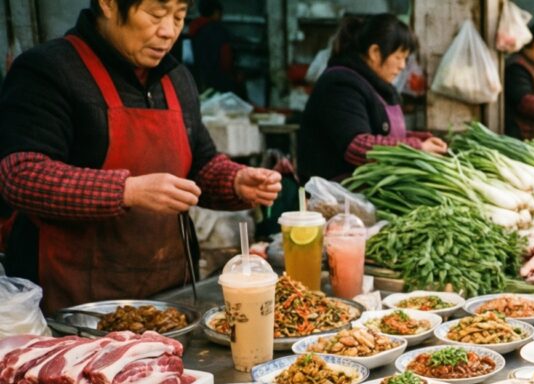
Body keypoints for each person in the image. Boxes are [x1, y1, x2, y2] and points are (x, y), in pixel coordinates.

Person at [0, 0, 282, 313]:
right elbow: (22, 176)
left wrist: (236, 181)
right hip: (73, 305)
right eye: (156, 14)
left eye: (179, 17)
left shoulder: (177, 78)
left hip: (169, 298)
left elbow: (201, 165)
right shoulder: (48, 70)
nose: (168, 32)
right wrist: (128, 191)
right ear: (108, 4)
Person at [298, 14, 446, 183]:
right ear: (375, 52)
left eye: (405, 58)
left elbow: (381, 133)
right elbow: (357, 146)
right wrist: (417, 148)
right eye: (398, 57)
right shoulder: (341, 85)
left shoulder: (378, 86)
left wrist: (420, 140)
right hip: (335, 194)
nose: (402, 66)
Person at [187, 0, 242, 96]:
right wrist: (234, 75)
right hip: (221, 80)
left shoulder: (194, 30)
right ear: (216, 12)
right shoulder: (219, 31)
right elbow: (226, 58)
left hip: (198, 80)